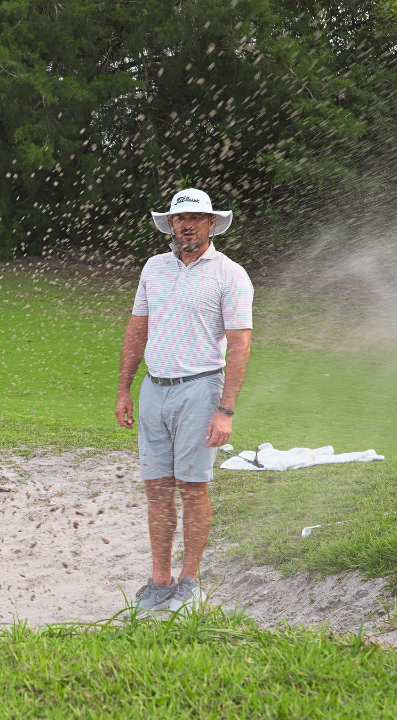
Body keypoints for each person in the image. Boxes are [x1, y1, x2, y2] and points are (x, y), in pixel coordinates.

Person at [113, 188, 254, 613]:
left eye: (196, 218)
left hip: (200, 388)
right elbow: (138, 328)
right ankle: (159, 581)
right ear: (170, 224)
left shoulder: (230, 274)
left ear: (212, 224)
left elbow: (240, 344)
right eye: (179, 219)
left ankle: (189, 581)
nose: (187, 225)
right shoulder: (153, 268)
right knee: (156, 487)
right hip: (154, 388)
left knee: (193, 488)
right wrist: (124, 388)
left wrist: (225, 409)